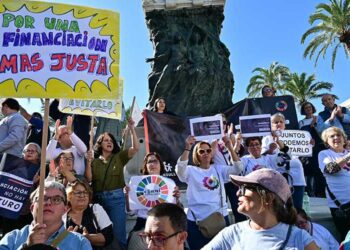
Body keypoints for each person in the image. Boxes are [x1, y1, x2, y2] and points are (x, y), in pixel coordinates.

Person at [203, 168, 318, 250]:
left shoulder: (299, 238)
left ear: (268, 198)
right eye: (238, 188)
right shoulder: (230, 234)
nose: (238, 193)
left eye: (244, 188)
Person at [175, 135, 242, 249]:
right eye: (201, 151)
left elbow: (238, 169)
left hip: (219, 219)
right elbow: (180, 170)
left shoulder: (218, 168)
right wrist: (187, 148)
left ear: (212, 153)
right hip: (196, 221)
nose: (205, 153)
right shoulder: (191, 171)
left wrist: (230, 147)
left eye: (208, 150)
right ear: (196, 154)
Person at [86, 117, 139, 248]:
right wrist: (88, 162)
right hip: (98, 200)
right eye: (106, 140)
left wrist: (132, 128)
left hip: (116, 200)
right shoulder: (94, 161)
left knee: (118, 234)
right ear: (100, 143)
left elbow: (136, 148)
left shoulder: (119, 157)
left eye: (111, 140)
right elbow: (89, 179)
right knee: (101, 234)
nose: (109, 142)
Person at [0, 181, 92, 249]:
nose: (48, 203)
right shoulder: (12, 238)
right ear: (32, 208)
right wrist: (26, 247)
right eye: (42, 198)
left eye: (56, 199)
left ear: (65, 209)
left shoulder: (80, 243)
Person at [125, 152, 181, 248]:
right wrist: (127, 196)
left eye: (155, 161)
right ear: (145, 166)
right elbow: (130, 212)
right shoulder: (137, 184)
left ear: (160, 165)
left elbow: (176, 212)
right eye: (149, 162)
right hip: (142, 225)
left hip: (165, 226)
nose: (152, 164)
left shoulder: (169, 183)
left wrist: (177, 199)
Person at [262, 112, 306, 209]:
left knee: (296, 209)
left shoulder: (294, 136)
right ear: (270, 125)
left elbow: (294, 154)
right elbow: (263, 157)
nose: (278, 124)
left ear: (284, 124)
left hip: (296, 179)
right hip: (278, 180)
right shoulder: (266, 138)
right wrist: (270, 150)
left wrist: (308, 143)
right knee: (280, 210)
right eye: (275, 122)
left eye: (281, 122)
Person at [318, 127, 350, 240]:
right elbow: (331, 169)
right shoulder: (324, 154)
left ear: (344, 138)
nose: (336, 138)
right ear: (326, 141)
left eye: (339, 135)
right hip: (342, 207)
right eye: (332, 136)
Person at [64, 180, 114, 250]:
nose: (82, 195)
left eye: (85, 192)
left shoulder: (96, 209)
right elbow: (54, 242)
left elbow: (109, 237)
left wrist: (88, 238)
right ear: (69, 196)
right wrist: (65, 237)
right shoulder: (62, 214)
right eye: (78, 193)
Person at [299, 102, 326, 197]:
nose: (308, 109)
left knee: (319, 169)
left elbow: (323, 133)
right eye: (306, 108)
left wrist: (314, 125)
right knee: (308, 170)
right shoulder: (301, 122)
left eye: (309, 107)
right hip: (306, 150)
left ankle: (320, 192)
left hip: (317, 148)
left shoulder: (318, 118)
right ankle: (309, 192)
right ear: (303, 110)